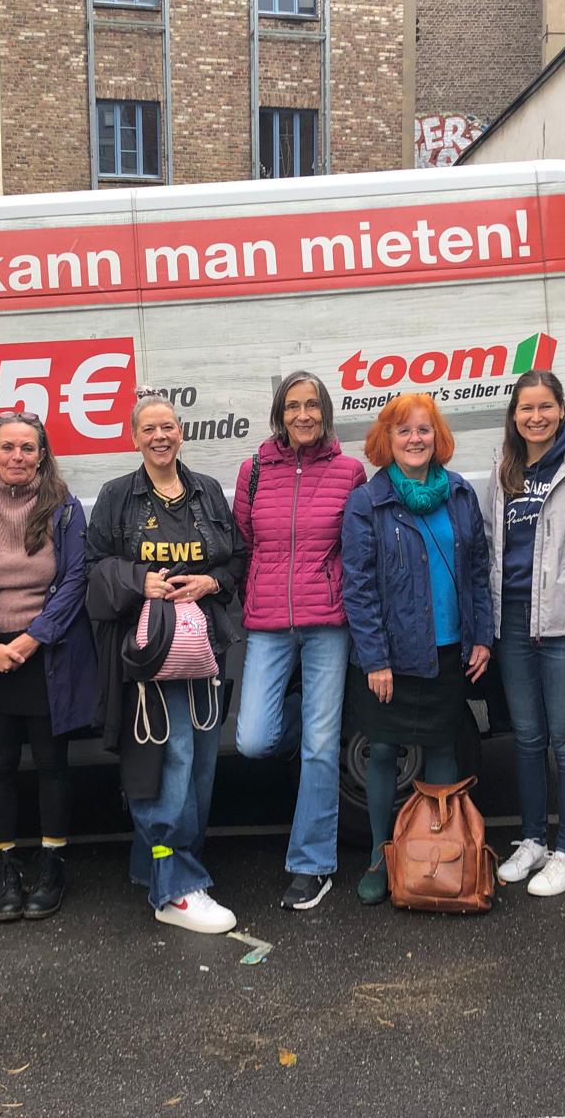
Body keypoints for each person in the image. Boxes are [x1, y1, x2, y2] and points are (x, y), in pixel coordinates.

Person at [86, 390, 247, 934]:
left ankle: (156, 867)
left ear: (181, 432)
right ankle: (175, 890)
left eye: (168, 426)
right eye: (149, 429)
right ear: (134, 438)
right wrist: (141, 581)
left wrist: (210, 582)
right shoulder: (117, 496)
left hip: (203, 649)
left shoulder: (207, 492)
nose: (160, 436)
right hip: (149, 655)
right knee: (169, 761)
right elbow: (92, 567)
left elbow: (236, 560)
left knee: (200, 763)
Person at [341, 392, 492, 906]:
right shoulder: (369, 501)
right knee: (383, 749)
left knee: (443, 747)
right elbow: (358, 587)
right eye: (403, 430)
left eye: (424, 429)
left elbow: (478, 570)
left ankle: (437, 854)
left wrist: (481, 636)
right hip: (391, 655)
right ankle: (379, 857)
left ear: (437, 437)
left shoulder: (460, 493)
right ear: (387, 439)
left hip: (449, 648)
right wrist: (376, 659)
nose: (414, 439)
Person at [0, 412, 98, 923]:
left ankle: (52, 867)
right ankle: (7, 869)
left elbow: (76, 579)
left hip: (47, 653)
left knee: (52, 764)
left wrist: (34, 637)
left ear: (42, 455)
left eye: (27, 448)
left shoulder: (65, 509)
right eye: (8, 447)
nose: (17, 456)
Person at [233, 372, 366, 911]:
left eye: (312, 405)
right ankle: (305, 712)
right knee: (254, 738)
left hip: (327, 621)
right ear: (279, 414)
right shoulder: (254, 471)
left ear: (326, 412)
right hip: (268, 620)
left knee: (319, 746)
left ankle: (312, 866)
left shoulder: (349, 471)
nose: (303, 415)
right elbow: (244, 541)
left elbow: (356, 547)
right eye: (293, 406)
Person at [482, 370, 565, 897]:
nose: (535, 417)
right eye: (526, 408)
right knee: (527, 738)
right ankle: (535, 840)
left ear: (561, 409)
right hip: (515, 621)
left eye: (545, 406)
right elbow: (493, 546)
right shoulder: (505, 467)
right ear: (514, 416)